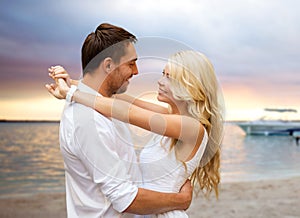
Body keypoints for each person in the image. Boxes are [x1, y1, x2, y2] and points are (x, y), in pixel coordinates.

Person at [48, 49, 225, 217]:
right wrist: (71, 82)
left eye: (169, 77)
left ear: (189, 86)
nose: (160, 81)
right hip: (152, 211)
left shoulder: (192, 127)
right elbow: (123, 100)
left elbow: (128, 112)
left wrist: (72, 94)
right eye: (163, 74)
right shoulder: (170, 116)